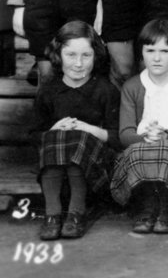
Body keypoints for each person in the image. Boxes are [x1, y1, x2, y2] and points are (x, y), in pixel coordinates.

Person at [33, 21, 119, 240]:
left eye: (86, 55)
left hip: (93, 173)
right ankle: (52, 214)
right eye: (71, 55)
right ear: (58, 55)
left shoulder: (105, 90)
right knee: (57, 136)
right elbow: (34, 134)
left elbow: (117, 137)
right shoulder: (49, 91)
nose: (78, 63)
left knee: (78, 138)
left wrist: (88, 130)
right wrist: (53, 130)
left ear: (96, 56)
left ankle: (76, 214)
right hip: (54, 174)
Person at [111, 20, 168, 235]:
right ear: (141, 53)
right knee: (140, 150)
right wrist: (145, 138)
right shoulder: (132, 86)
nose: (157, 58)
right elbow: (125, 135)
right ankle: (147, 207)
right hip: (141, 149)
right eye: (150, 51)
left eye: (165, 51)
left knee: (163, 149)